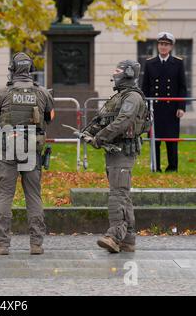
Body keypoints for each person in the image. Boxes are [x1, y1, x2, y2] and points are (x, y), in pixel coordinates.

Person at [0, 52, 55, 255]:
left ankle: (3, 244)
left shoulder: (2, 93)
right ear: (30, 69)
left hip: (7, 147)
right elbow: (50, 116)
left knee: (5, 194)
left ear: (12, 70)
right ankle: (36, 244)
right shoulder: (42, 93)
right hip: (32, 147)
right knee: (33, 195)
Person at [83, 60, 149, 253]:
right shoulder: (120, 96)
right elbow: (104, 118)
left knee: (118, 195)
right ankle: (128, 240)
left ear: (128, 73)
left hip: (123, 151)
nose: (114, 73)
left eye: (118, 70)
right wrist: (89, 132)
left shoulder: (132, 97)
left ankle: (113, 236)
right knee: (123, 195)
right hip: (114, 150)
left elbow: (123, 121)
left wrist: (99, 138)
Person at [141, 32, 187, 172]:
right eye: (161, 44)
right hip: (154, 108)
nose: (163, 47)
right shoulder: (149, 63)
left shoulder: (178, 63)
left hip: (172, 108)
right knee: (155, 139)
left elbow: (182, 86)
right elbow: (145, 87)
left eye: (166, 44)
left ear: (171, 47)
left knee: (171, 139)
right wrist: (145, 108)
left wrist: (181, 107)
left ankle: (172, 167)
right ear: (158, 45)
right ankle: (155, 167)